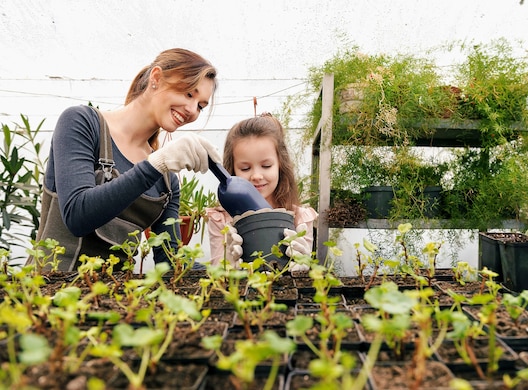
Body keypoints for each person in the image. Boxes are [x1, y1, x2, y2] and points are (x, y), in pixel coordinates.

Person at [29, 48, 222, 271]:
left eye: (200, 106)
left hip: (114, 301)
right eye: (189, 93)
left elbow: (170, 262)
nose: (191, 110)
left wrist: (227, 270)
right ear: (156, 78)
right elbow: (77, 216)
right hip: (48, 297)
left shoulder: (167, 180)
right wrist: (155, 165)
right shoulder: (83, 123)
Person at [205, 113, 317, 269]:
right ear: (232, 171)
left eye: (266, 166)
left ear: (280, 165)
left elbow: (307, 284)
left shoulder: (300, 218)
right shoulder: (221, 219)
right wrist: (226, 266)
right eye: (245, 168)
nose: (256, 176)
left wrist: (304, 265)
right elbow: (216, 279)